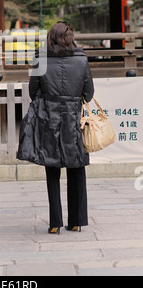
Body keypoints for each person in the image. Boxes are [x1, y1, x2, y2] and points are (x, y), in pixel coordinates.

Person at [27, 21, 94, 234]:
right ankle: (76, 221)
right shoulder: (82, 59)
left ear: (51, 38)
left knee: (52, 168)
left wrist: (48, 100)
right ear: (70, 37)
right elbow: (89, 93)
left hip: (49, 116)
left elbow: (33, 90)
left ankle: (55, 222)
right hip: (73, 116)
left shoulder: (41, 58)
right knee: (76, 168)